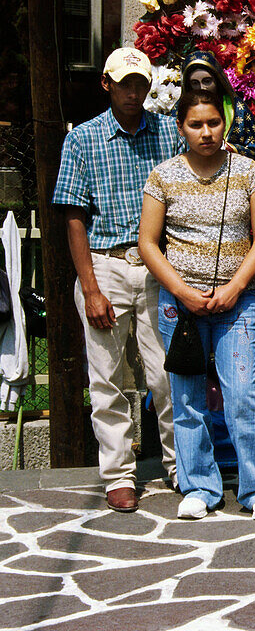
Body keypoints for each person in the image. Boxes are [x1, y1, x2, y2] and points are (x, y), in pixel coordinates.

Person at [138, 89, 255, 520]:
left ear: (225, 123)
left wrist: (237, 287)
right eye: (196, 124)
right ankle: (199, 485)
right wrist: (181, 291)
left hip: (236, 304)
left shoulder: (249, 172)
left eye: (213, 122)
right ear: (181, 127)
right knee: (186, 399)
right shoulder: (163, 176)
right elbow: (148, 242)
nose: (206, 132)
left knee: (241, 395)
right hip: (180, 307)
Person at [52, 47, 178, 512]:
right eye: (125, 83)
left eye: (140, 84)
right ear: (106, 84)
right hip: (106, 263)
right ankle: (119, 474)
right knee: (107, 376)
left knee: (166, 372)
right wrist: (90, 287)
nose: (133, 92)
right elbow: (74, 217)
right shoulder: (83, 140)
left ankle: (178, 463)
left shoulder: (167, 133)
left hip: (157, 266)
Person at [178, 50, 255, 166]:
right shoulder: (179, 111)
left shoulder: (236, 109)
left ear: (217, 80)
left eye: (207, 81)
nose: (202, 88)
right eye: (195, 83)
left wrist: (229, 148)